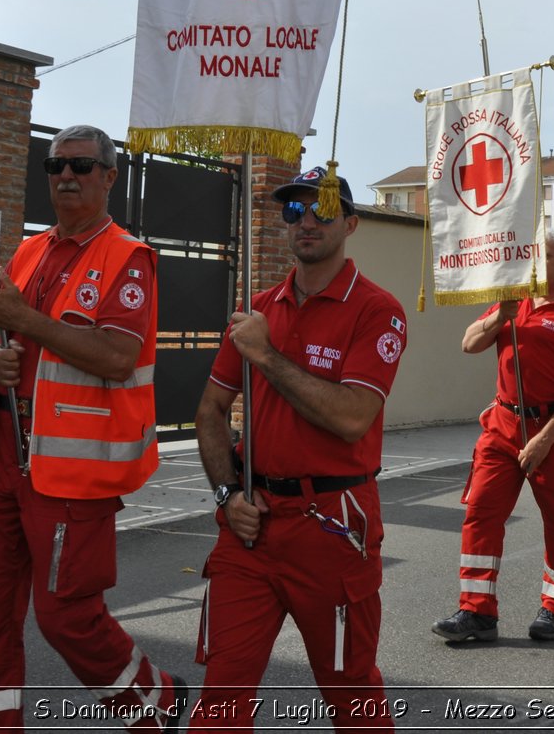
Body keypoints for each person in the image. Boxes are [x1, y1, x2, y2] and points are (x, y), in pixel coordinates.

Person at [0, 125, 187, 731]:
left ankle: (153, 702)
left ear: (110, 177)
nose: (65, 177)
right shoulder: (29, 251)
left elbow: (116, 355)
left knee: (64, 616)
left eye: (81, 166)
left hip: (70, 469)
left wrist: (22, 321)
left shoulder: (128, 259)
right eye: (54, 165)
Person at [191, 166, 408, 731]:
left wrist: (264, 356)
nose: (306, 221)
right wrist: (225, 495)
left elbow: (353, 417)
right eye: (293, 210)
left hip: (332, 527)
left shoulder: (377, 310)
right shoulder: (259, 307)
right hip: (250, 528)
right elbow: (210, 412)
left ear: (352, 223)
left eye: (322, 210)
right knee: (219, 700)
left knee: (351, 694)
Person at [433, 227, 554, 644]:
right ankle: (476, 611)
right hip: (502, 426)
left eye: (542, 256)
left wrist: (545, 438)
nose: (532, 264)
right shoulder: (514, 301)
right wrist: (498, 316)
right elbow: (469, 343)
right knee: (481, 512)